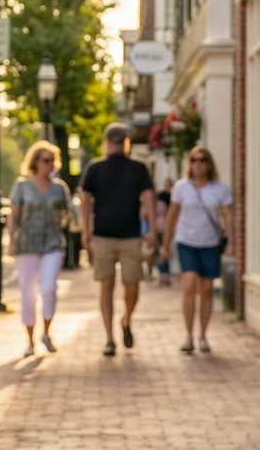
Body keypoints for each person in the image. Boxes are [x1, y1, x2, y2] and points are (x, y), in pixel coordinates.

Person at [79, 123, 155, 358]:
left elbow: (149, 198)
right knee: (107, 286)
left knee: (132, 285)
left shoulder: (138, 168)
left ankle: (126, 320)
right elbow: (85, 199)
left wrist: (151, 229)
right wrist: (86, 231)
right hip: (103, 236)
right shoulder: (95, 168)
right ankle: (109, 338)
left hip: (131, 236)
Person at [161, 145, 233, 354]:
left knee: (207, 289)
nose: (198, 164)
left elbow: (227, 216)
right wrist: (165, 245)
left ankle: (203, 336)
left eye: (202, 160)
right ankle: (188, 336)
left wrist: (232, 241)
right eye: (194, 160)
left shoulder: (219, 189)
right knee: (189, 284)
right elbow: (172, 216)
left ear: (209, 164)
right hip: (186, 242)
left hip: (210, 243)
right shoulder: (181, 187)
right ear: (189, 164)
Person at [9, 140, 72, 357]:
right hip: (27, 244)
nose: (50, 164)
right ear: (35, 162)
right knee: (28, 294)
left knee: (48, 288)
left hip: (53, 244)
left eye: (53, 160)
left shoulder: (59, 188)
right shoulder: (22, 186)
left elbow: (68, 214)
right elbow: (14, 216)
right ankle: (29, 340)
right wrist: (11, 240)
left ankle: (46, 332)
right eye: (46, 160)